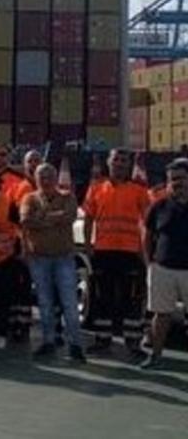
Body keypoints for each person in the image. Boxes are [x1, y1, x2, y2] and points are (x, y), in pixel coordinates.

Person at [82, 149, 150, 357]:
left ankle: (133, 343)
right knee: (103, 298)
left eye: (123, 160)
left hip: (130, 252)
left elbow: (147, 223)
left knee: (132, 299)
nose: (119, 164)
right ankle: (102, 340)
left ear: (129, 165)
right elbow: (88, 219)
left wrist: (145, 250)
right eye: (116, 160)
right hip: (103, 251)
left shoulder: (138, 191)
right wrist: (87, 244)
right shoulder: (96, 188)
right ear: (108, 163)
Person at [20, 163, 85, 362]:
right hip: (39, 257)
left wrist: (41, 218)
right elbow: (25, 221)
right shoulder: (29, 198)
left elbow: (69, 217)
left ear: (56, 178)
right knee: (45, 302)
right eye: (42, 176)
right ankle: (48, 341)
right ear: (36, 179)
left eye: (49, 176)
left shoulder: (68, 197)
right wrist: (51, 218)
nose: (46, 180)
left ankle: (75, 344)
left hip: (63, 257)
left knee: (70, 302)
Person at [140, 158, 188, 370]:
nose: (177, 183)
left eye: (181, 178)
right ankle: (155, 356)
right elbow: (147, 236)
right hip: (162, 269)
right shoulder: (159, 206)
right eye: (173, 179)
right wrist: (148, 262)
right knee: (161, 315)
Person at [0, 165, 29, 349]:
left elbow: (19, 227)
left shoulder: (7, 202)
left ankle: (1, 332)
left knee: (3, 295)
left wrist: (21, 249)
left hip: (4, 255)